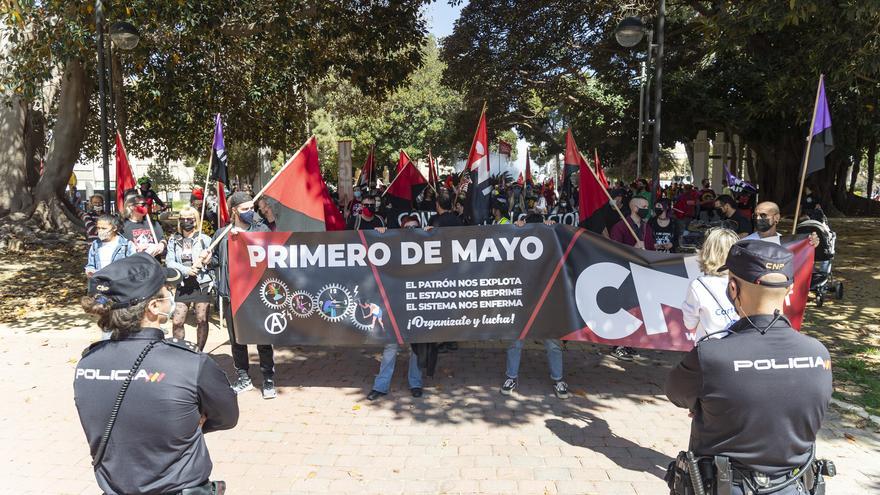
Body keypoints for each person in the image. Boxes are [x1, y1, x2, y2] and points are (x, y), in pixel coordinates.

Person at [665, 240, 833, 495]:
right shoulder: (819, 354)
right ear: (790, 290)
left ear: (732, 288)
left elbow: (676, 393)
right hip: (793, 486)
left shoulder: (711, 356)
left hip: (724, 486)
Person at [74, 253, 238, 495]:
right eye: (166, 292)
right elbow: (227, 417)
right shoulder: (190, 363)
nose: (170, 297)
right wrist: (186, 421)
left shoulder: (87, 364)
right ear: (152, 307)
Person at [202, 192, 277, 398]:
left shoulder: (261, 229)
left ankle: (268, 379)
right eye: (245, 209)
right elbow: (216, 261)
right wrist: (208, 259)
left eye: (252, 208)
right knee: (237, 340)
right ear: (234, 210)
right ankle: (243, 377)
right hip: (231, 295)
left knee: (263, 337)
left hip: (257, 294)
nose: (250, 212)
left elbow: (273, 253)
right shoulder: (221, 235)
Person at [501, 216, 569, 399]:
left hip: (545, 303)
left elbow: (564, 246)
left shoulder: (552, 243)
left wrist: (552, 229)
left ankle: (558, 378)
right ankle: (511, 376)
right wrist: (515, 230)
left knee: (553, 343)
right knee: (516, 341)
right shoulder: (519, 243)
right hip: (523, 302)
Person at [166, 206, 214, 351]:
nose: (186, 221)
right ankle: (180, 351)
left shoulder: (204, 239)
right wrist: (187, 270)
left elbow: (213, 261)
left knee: (201, 319)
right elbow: (170, 261)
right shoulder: (174, 240)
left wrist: (207, 260)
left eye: (190, 218)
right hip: (183, 283)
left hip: (202, 283)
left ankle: (199, 351)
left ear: (195, 220)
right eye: (183, 218)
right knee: (177, 321)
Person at [681, 228, 740, 340]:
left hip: (710, 347)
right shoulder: (745, 281)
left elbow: (689, 324)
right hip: (740, 343)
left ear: (707, 251)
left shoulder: (698, 286)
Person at [744, 201, 820, 247]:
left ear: (776, 218)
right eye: (755, 215)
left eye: (763, 215)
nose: (758, 219)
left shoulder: (786, 244)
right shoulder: (745, 244)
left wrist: (809, 244)